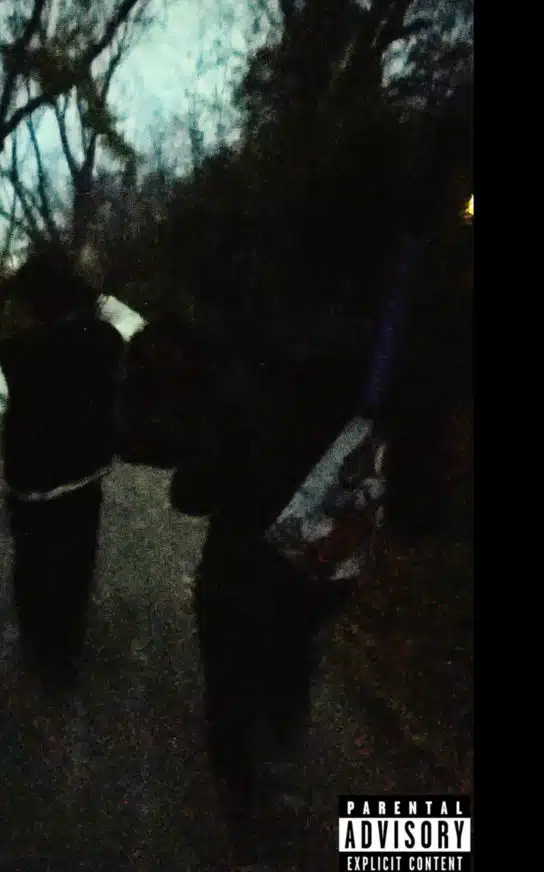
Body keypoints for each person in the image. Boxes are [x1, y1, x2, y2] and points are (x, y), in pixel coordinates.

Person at [170, 323, 386, 820]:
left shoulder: (243, 403)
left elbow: (189, 494)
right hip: (309, 580)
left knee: (229, 681)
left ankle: (239, 788)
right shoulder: (363, 416)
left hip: (235, 573)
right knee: (290, 665)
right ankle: (277, 761)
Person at [0, 247, 128, 692]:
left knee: (30, 562)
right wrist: (100, 300)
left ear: (31, 302)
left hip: (28, 487)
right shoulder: (102, 340)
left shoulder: (10, 354)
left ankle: (36, 638)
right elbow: (140, 332)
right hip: (83, 480)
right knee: (76, 565)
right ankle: (63, 651)